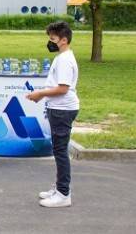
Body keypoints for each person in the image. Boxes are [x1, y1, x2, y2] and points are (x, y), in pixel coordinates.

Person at [26, 21, 79, 208]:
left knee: (60, 151)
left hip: (62, 109)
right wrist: (42, 95)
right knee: (59, 150)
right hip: (59, 108)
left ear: (64, 40)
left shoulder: (65, 60)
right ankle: (59, 188)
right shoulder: (62, 56)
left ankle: (63, 193)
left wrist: (40, 94)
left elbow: (63, 88)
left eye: (53, 39)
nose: (50, 42)